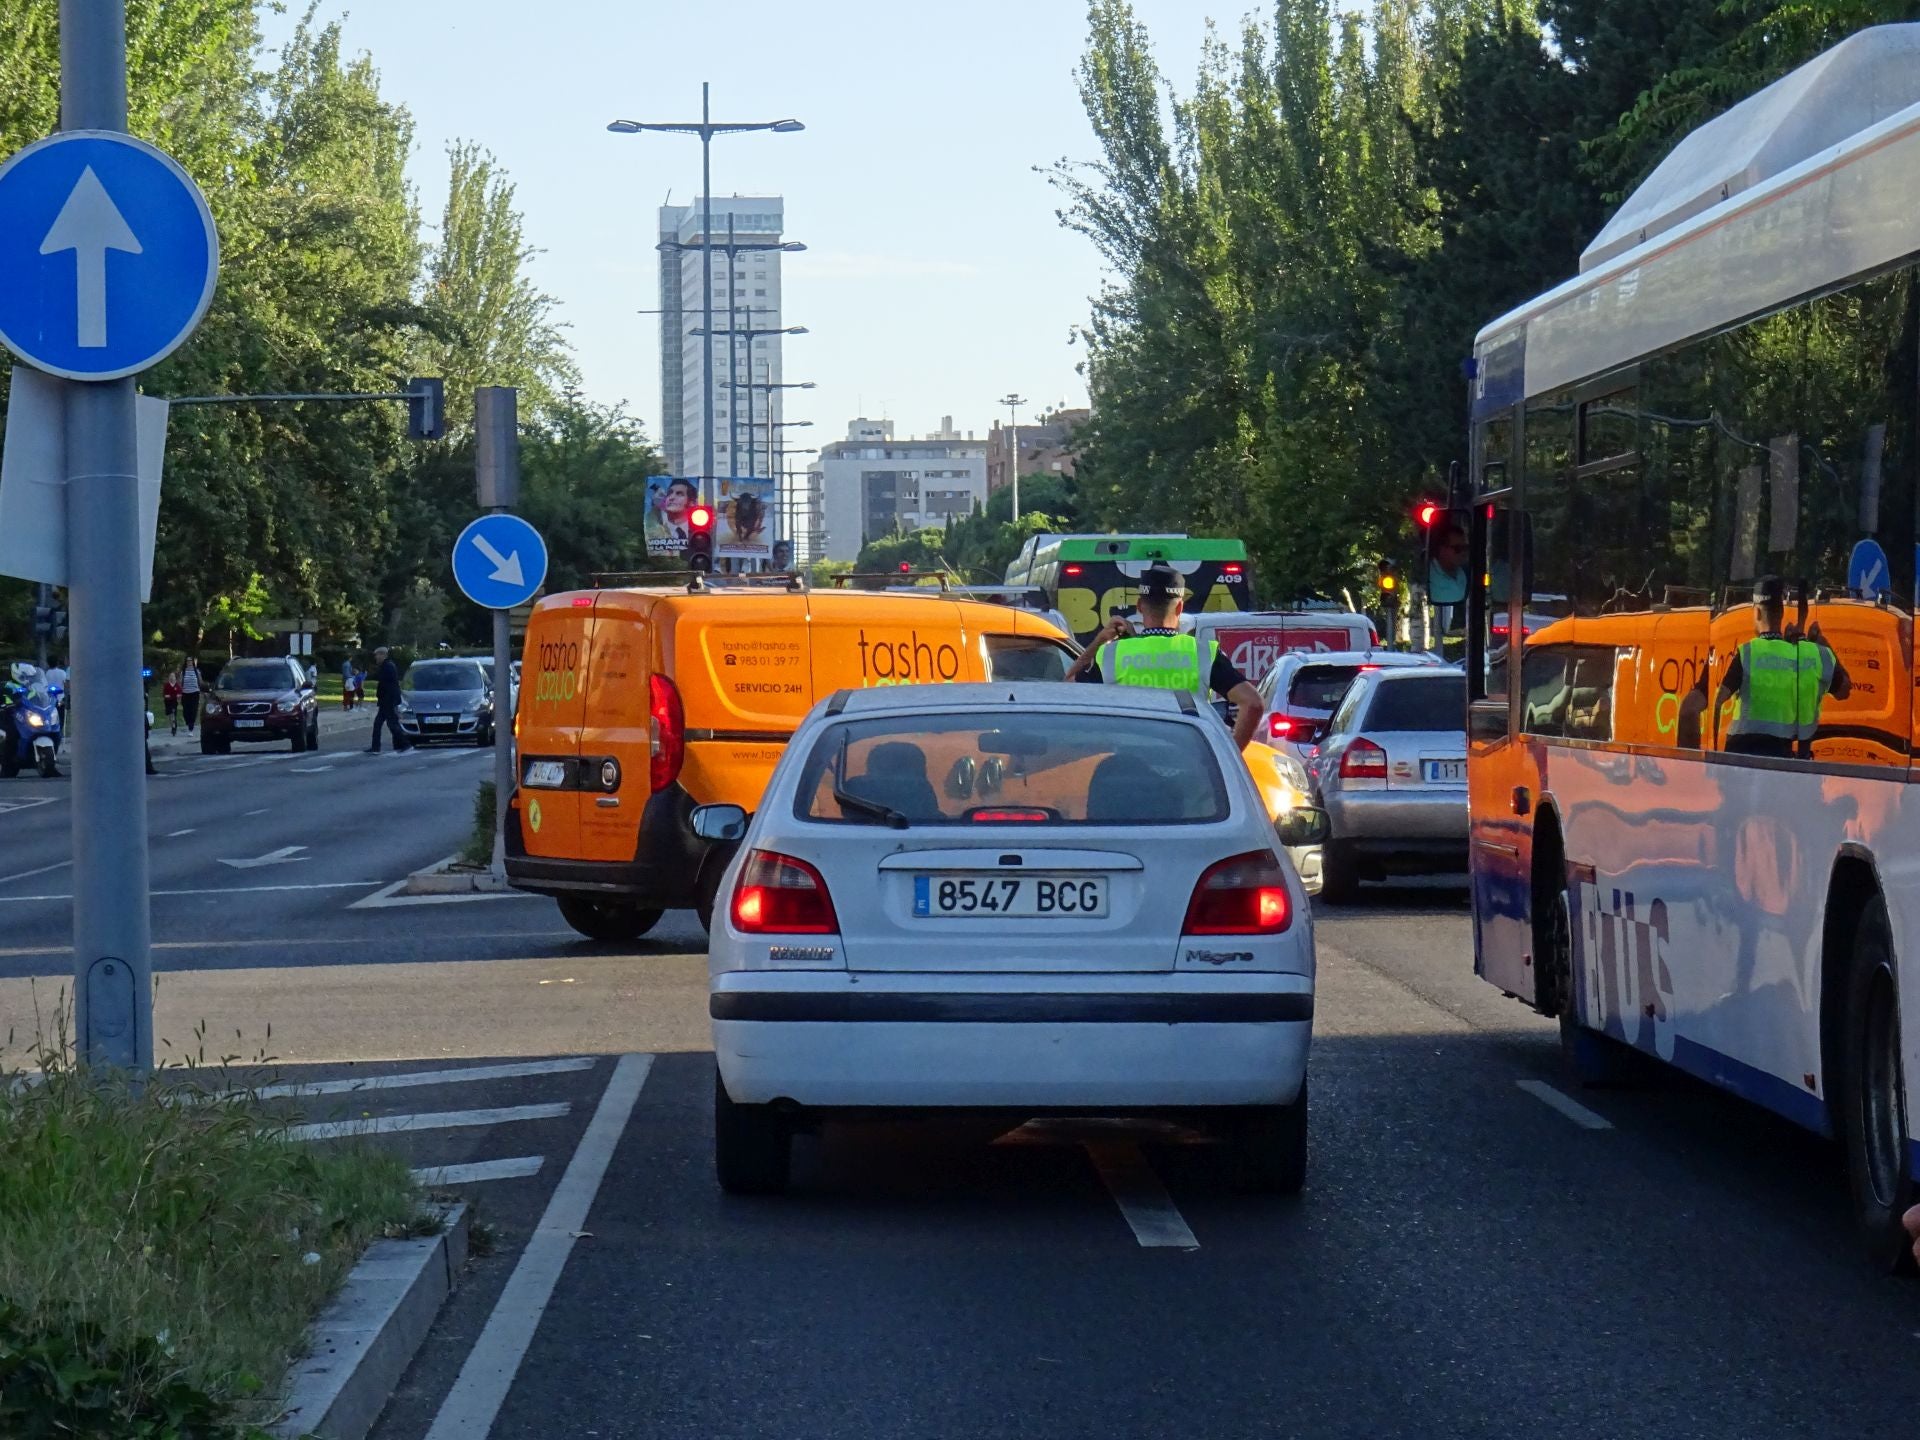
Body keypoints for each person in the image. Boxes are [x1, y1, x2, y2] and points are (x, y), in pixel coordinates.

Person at [1065, 561, 1265, 749]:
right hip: (1187, 765)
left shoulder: (1112, 654)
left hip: (1126, 764)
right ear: (1179, 607)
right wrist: (1231, 754)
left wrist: (1098, 642)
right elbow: (1253, 703)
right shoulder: (1202, 653)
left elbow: (1066, 690)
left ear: (1140, 606)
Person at [1714, 576, 1850, 758]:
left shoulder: (1748, 653)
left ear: (1757, 613)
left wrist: (1714, 754)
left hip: (1740, 754)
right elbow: (1844, 691)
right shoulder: (1807, 653)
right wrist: (1824, 644)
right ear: (1781, 613)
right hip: (1779, 756)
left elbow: (1717, 701)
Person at [366, 646, 411, 753]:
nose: (376, 657)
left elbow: (389, 686)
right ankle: (378, 746)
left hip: (388, 701)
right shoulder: (386, 666)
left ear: (383, 655)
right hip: (386, 700)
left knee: (391, 724)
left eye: (377, 655)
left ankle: (404, 743)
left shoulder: (388, 667)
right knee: (382, 723)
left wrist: (390, 700)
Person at [651, 477, 699, 546]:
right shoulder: (655, 527)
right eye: (669, 493)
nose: (671, 497)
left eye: (679, 494)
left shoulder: (697, 530)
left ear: (692, 503)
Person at [179, 657, 202, 733]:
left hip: (195, 693)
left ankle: (191, 726)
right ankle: (188, 722)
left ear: (192, 662)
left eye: (190, 661)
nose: (189, 662)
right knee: (186, 711)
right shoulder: (183, 671)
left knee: (193, 709)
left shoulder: (196, 671)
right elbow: (180, 682)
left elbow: (200, 681)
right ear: (186, 662)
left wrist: (202, 689)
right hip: (185, 693)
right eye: (188, 661)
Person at [162, 670, 182, 735]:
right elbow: (165, 694)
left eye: (173, 676)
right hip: (167, 702)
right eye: (170, 676)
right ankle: (172, 726)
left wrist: (174, 696)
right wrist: (172, 696)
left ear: (175, 677)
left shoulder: (177, 686)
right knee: (170, 715)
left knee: (173, 714)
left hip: (174, 702)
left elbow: (179, 694)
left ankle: (174, 728)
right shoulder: (167, 685)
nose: (171, 677)